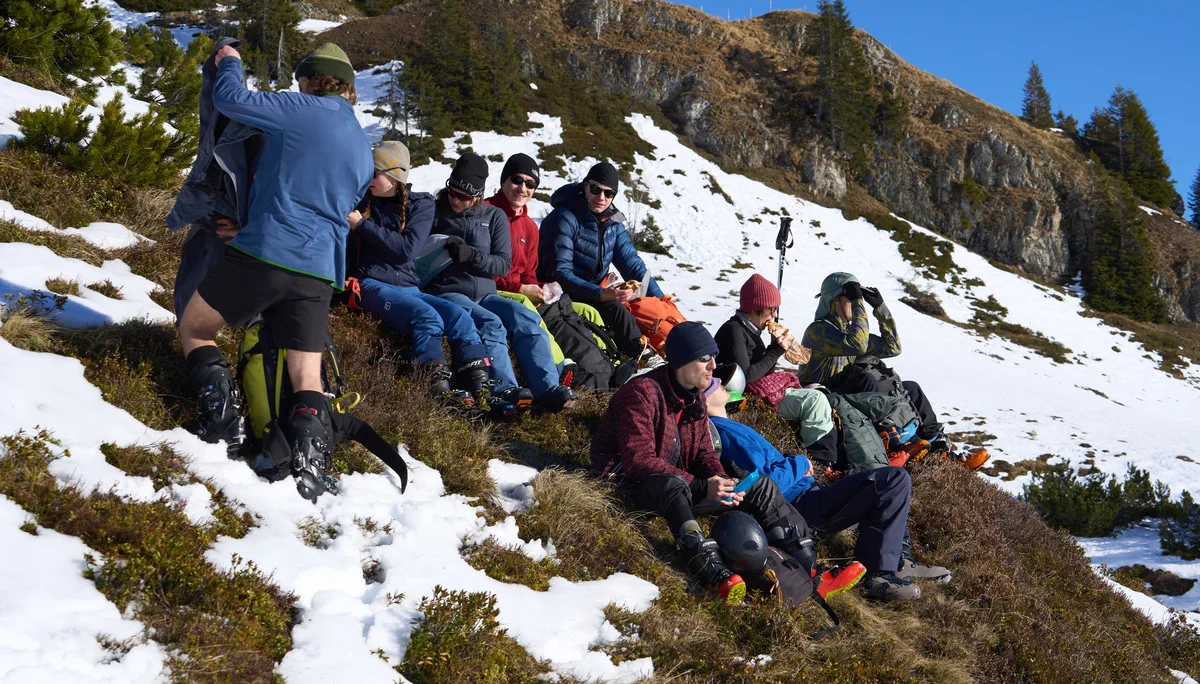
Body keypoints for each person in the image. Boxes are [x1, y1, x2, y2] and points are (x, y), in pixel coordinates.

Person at [175, 42, 371, 501]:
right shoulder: (363, 145)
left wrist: (230, 62)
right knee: (308, 376)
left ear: (309, 80)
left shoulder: (300, 107)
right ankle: (309, 468)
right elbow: (337, 204)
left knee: (196, 329)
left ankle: (223, 426)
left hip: (268, 252)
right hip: (321, 270)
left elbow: (231, 101)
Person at [591, 322, 815, 603]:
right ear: (682, 360)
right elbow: (639, 461)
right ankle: (708, 566)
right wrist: (700, 485)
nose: (712, 365)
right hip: (626, 483)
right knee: (672, 484)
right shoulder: (642, 393)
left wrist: (721, 482)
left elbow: (704, 455)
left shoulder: (694, 397)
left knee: (761, 486)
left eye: (713, 356)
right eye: (704, 358)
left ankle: (805, 562)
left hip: (679, 485)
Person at [705, 373, 952, 601]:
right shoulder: (725, 434)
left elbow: (765, 470)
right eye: (710, 384)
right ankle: (880, 574)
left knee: (880, 483)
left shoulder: (730, 428)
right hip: (799, 506)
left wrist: (793, 462)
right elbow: (764, 486)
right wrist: (799, 462)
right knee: (893, 480)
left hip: (808, 494)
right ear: (704, 402)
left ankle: (899, 557)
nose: (717, 379)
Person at [424, 153, 576, 413]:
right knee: (490, 322)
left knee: (524, 315)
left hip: (486, 293)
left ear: (478, 194)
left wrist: (473, 256)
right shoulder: (434, 211)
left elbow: (502, 263)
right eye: (453, 192)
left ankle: (547, 387)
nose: (457, 200)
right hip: (449, 291)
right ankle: (504, 389)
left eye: (465, 196)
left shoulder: (493, 217)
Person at [346, 141, 491, 401]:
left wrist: (362, 226)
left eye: (374, 171)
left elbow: (406, 250)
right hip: (372, 283)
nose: (367, 177)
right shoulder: (358, 200)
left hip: (409, 287)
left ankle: (480, 384)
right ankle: (434, 385)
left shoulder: (420, 204)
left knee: (460, 316)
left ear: (394, 176)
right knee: (426, 316)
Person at [537, 162, 664, 361]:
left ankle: (662, 353)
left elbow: (632, 264)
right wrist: (602, 294)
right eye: (595, 189)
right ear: (585, 186)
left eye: (608, 193)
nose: (601, 197)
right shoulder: (564, 217)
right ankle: (640, 358)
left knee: (644, 309)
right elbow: (559, 273)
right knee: (617, 311)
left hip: (595, 292)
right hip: (558, 292)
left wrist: (661, 300)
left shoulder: (612, 223)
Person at [715, 273, 808, 406]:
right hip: (738, 397)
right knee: (813, 401)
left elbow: (764, 370)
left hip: (754, 394)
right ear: (756, 307)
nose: (775, 314)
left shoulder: (751, 330)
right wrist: (776, 351)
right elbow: (746, 377)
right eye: (772, 309)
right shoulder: (734, 330)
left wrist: (773, 346)